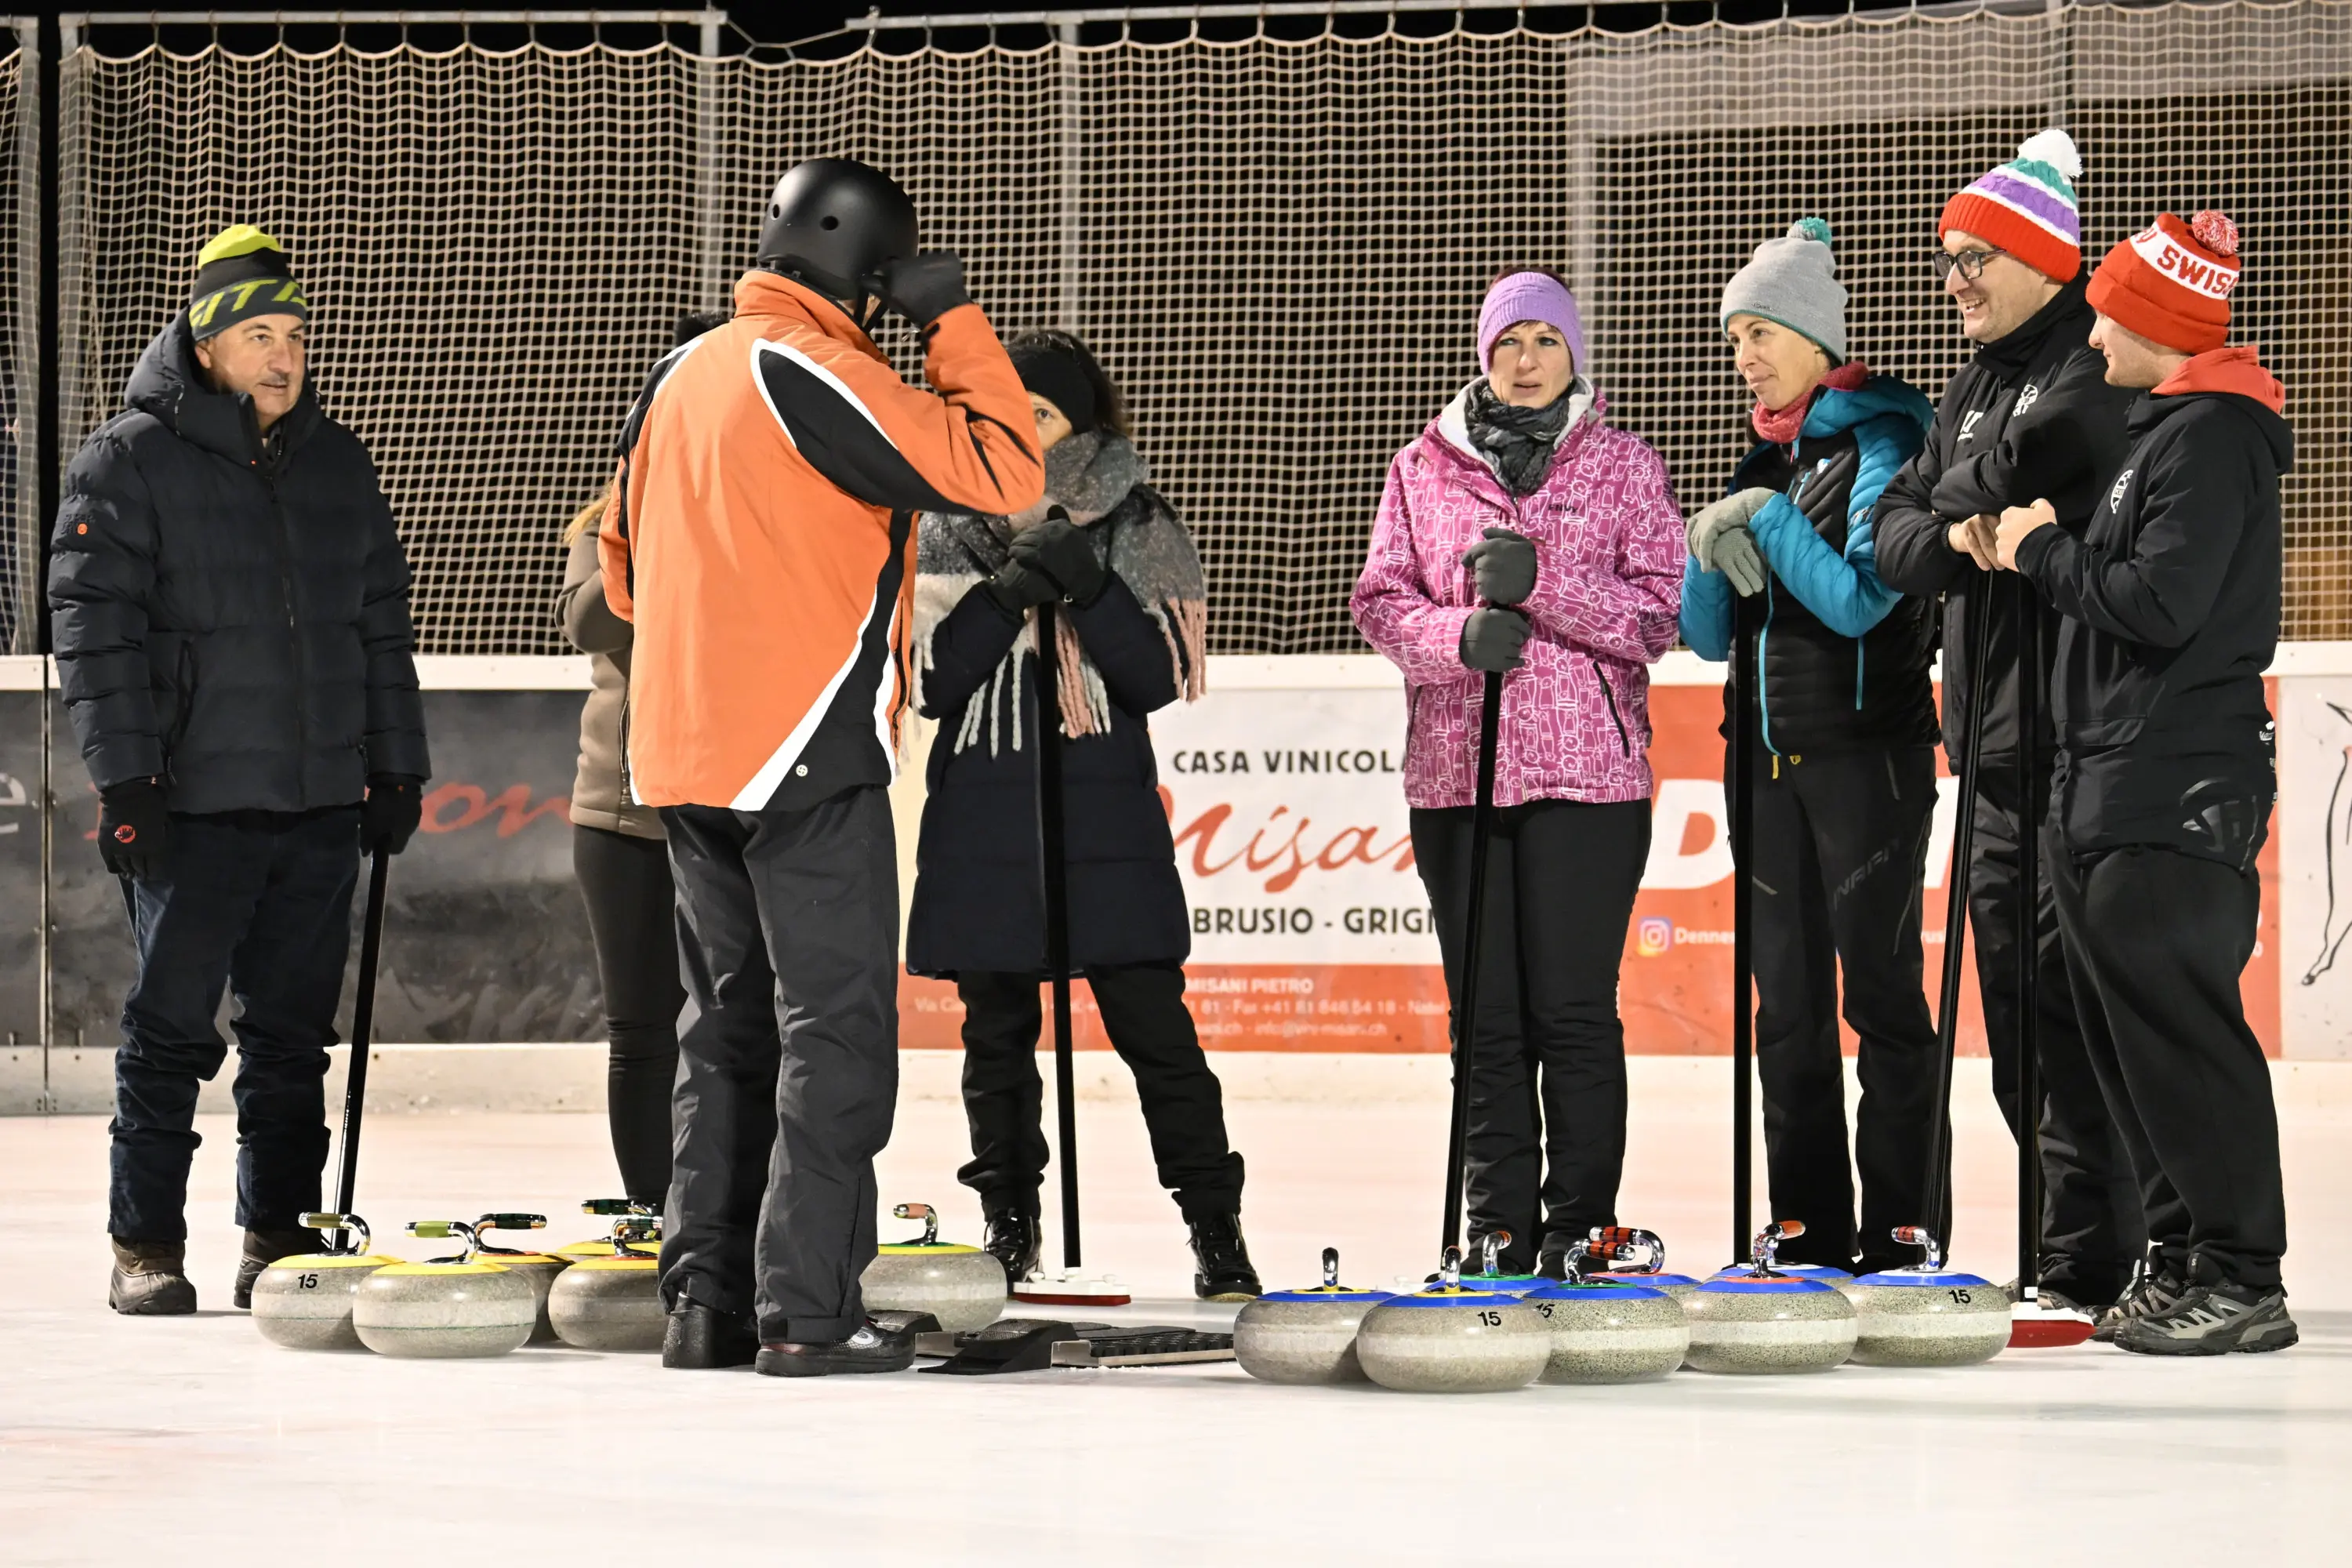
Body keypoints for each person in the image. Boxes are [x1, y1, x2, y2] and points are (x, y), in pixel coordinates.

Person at [601, 158, 1044, 1376]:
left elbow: (620, 574)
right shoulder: (811, 368)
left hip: (681, 751)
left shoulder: (677, 372)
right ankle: (810, 1311)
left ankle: (707, 1304)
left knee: (724, 1032)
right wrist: (951, 322)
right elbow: (1007, 470)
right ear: (870, 261)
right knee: (833, 1033)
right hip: (800, 744)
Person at [48, 225, 427, 1314]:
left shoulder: (336, 462)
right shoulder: (126, 460)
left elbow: (377, 624)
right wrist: (128, 787)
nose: (284, 354)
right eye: (259, 334)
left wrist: (395, 767)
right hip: (194, 806)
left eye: (296, 334)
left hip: (316, 802)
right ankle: (146, 1248)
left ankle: (281, 1236)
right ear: (206, 347)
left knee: (292, 1040)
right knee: (169, 1034)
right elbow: (94, 636)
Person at [1994, 209, 2296, 1354]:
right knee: (2128, 1043)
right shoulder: (2161, 433)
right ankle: (2181, 1258)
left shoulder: (2212, 436)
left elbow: (2162, 605)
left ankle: (2240, 1273)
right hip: (2114, 776)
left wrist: (2039, 550)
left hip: (2174, 780)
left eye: (2106, 315)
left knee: (2180, 1032)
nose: (2090, 337)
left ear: (2150, 321)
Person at [906, 330, 1256, 1300]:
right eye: (1008, 412)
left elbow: (1150, 677)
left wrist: (1090, 587)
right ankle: (1008, 1219)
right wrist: (1007, 592)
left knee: (1157, 1030)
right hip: (985, 812)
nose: (1023, 428)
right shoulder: (943, 521)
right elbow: (931, 682)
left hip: (1105, 822)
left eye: (1044, 413)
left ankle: (1214, 1222)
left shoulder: (1136, 520)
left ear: (1083, 424)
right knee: (995, 1037)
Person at [1353, 269, 1683, 1278]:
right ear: (1483, 355)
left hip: (1589, 780)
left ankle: (1582, 1224)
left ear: (1573, 352)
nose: (1526, 360)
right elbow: (1379, 599)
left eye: (1544, 340)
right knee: (1487, 1013)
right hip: (1460, 773)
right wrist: (1460, 635)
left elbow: (1657, 614)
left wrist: (1546, 587)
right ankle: (1495, 1226)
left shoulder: (1624, 465)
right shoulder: (1423, 467)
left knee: (1573, 1009)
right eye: (1508, 343)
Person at [1875, 132, 2143, 1313]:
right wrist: (1960, 521)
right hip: (1982, 747)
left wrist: (1962, 498)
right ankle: (2056, 1244)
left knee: (2070, 1004)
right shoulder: (1969, 381)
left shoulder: (2093, 357)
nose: (1955, 279)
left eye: (1977, 257)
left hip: (2073, 742)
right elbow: (1895, 535)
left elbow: (2049, 459)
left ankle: (2098, 1255)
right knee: (2017, 1014)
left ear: (2042, 260)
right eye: (1949, 258)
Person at [1679, 220, 1940, 1276]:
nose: (1744, 354)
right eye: (1735, 337)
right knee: (1783, 1003)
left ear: (1815, 335)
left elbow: (1863, 602)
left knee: (1878, 997)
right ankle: (1806, 1228)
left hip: (1865, 761)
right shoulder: (1766, 456)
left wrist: (1767, 520)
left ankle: (1901, 1230)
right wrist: (1711, 547)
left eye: (1760, 332)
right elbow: (1706, 640)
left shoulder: (1886, 437)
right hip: (1767, 767)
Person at [555, 312, 724, 1209]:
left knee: (748, 1026)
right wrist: (660, 524)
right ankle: (657, 1217)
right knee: (644, 1028)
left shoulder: (770, 513)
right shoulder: (610, 516)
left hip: (734, 811)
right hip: (622, 817)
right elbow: (591, 621)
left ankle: (739, 1207)